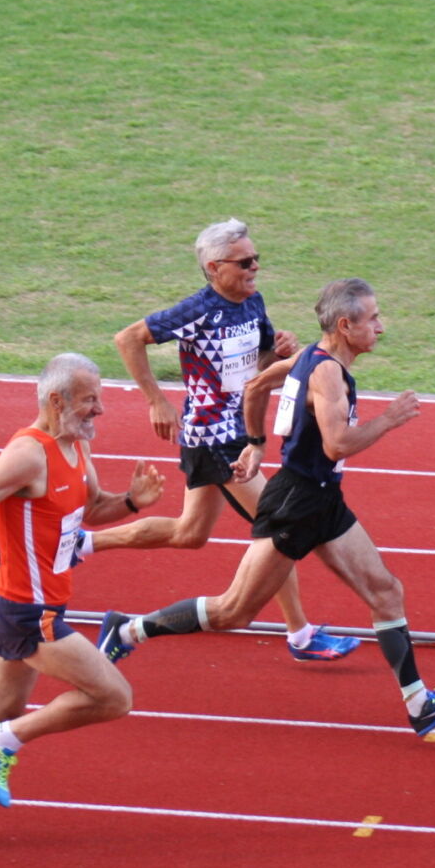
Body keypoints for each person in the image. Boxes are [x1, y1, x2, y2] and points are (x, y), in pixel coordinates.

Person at [96, 279, 435, 736]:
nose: (381, 327)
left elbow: (256, 385)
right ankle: (127, 630)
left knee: (386, 591)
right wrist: (389, 419)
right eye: (373, 318)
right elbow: (337, 445)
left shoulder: (309, 356)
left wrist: (256, 443)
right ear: (345, 325)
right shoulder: (326, 372)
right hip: (295, 504)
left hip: (323, 499)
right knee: (232, 612)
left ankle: (419, 703)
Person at [0, 353, 165, 848]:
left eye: (100, 398)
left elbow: (92, 509)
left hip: (28, 602)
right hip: (26, 611)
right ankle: (4, 742)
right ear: (56, 401)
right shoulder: (29, 455)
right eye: (90, 400)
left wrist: (131, 501)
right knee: (113, 697)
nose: (100, 410)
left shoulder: (76, 445)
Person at [85, 218, 360, 662]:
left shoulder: (253, 303)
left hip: (236, 431)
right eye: (244, 262)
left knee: (190, 533)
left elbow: (259, 372)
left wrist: (280, 351)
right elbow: (128, 338)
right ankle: (301, 634)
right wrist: (156, 401)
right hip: (213, 436)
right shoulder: (199, 310)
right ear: (214, 268)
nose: (255, 268)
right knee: (281, 528)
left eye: (256, 259)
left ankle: (82, 543)